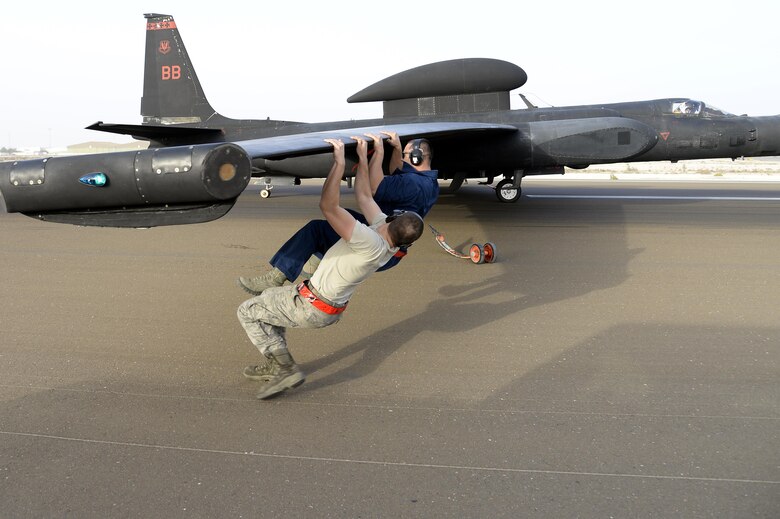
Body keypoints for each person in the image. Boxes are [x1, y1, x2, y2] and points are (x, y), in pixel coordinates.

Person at [237, 135, 425, 400]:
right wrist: (363, 157)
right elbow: (364, 196)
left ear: (393, 219)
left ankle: (285, 369)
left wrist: (338, 164)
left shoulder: (369, 242)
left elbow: (328, 206)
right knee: (268, 303)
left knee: (247, 311)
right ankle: (275, 363)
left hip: (312, 306)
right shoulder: (386, 237)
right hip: (320, 303)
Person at [237, 131, 437, 295]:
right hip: (390, 242)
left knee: (317, 229)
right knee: (341, 220)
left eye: (405, 155)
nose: (402, 159)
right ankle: (316, 263)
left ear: (416, 156)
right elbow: (397, 172)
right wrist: (398, 148)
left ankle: (276, 277)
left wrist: (377, 152)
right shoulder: (428, 182)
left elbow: (373, 188)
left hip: (379, 242)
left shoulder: (413, 184)